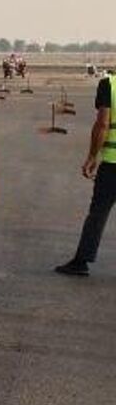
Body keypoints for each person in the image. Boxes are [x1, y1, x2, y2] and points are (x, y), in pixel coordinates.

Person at [57, 71, 116, 276]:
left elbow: (103, 123)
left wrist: (92, 156)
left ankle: (81, 260)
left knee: (98, 213)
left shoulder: (109, 84)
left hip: (112, 163)